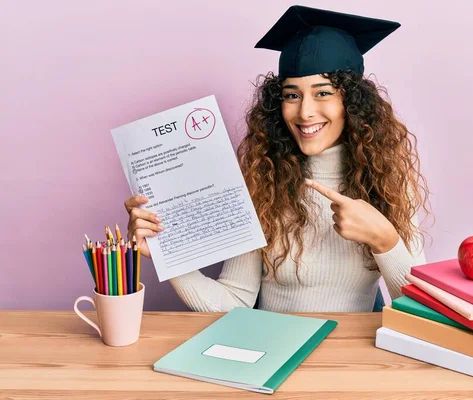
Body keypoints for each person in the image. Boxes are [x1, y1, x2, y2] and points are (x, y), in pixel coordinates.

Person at [124, 5, 431, 313]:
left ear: (351, 102)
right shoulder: (264, 182)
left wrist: (385, 241)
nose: (305, 111)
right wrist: (170, 258)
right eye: (292, 95)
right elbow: (233, 301)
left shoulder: (387, 182)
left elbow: (419, 311)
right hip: (271, 350)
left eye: (323, 93)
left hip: (349, 356)